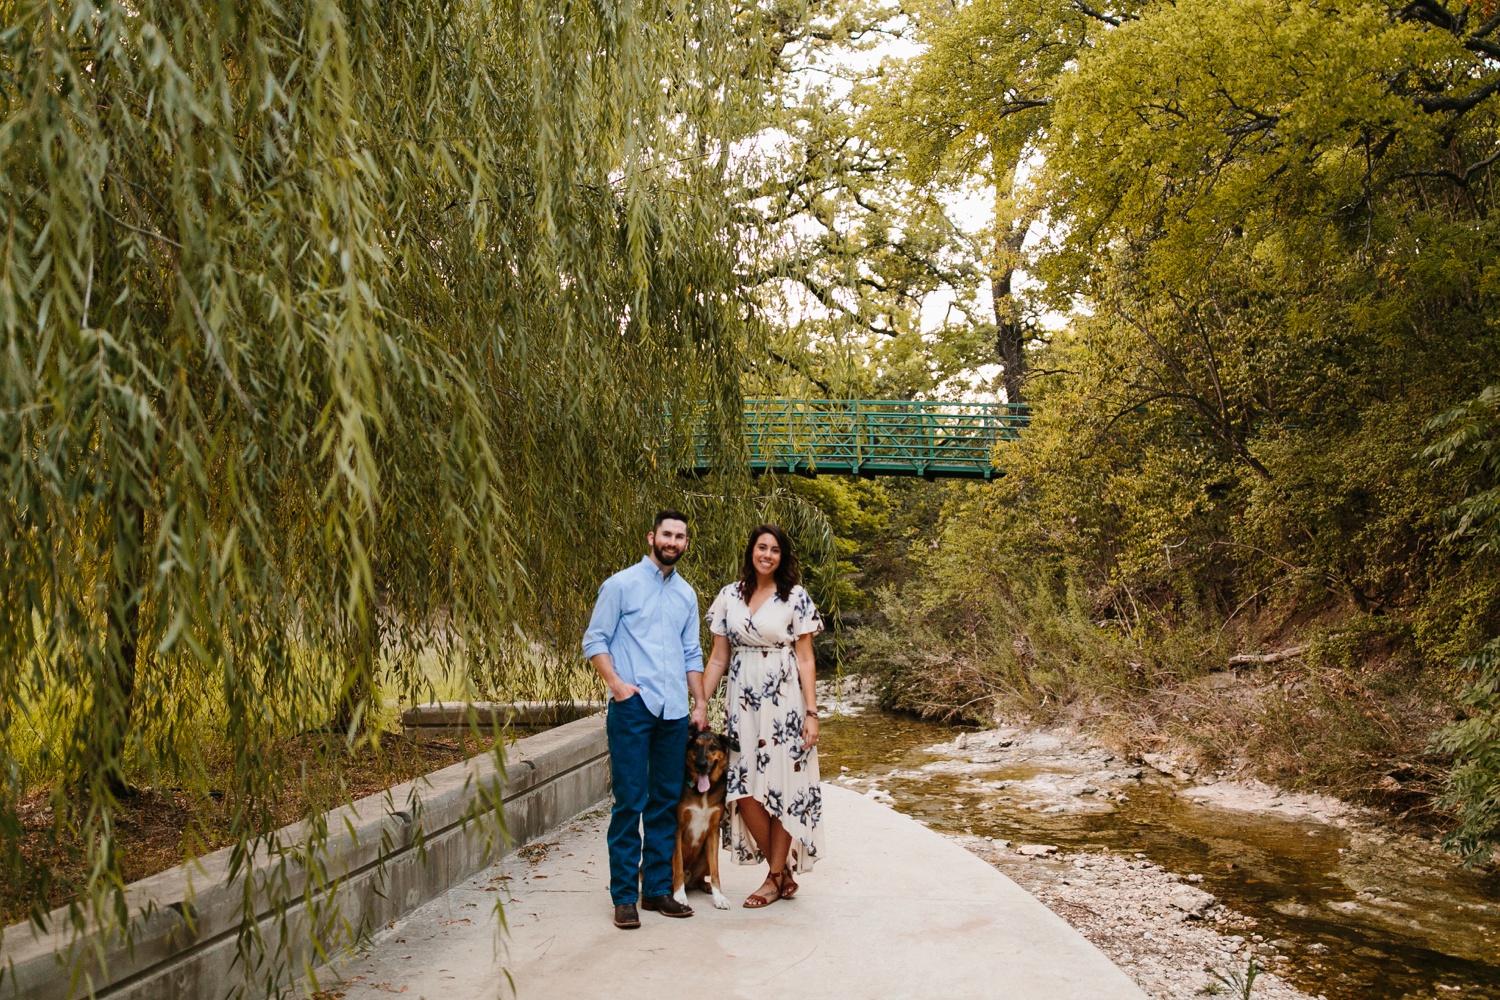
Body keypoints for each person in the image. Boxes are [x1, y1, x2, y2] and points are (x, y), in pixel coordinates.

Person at [582, 510, 708, 929]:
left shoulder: (686, 595)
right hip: (633, 707)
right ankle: (623, 897)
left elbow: (692, 653)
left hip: (673, 711)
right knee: (630, 801)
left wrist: (701, 703)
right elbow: (595, 639)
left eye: (681, 536)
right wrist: (617, 685)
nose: (673, 542)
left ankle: (655, 891)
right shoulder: (621, 585)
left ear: (686, 543)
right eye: (667, 534)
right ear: (651, 536)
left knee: (664, 803)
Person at [702, 523, 825, 908]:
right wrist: (701, 703)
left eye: (774, 549)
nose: (767, 554)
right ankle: (782, 871)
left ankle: (773, 877)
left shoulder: (796, 597)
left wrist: (811, 712)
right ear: (751, 552)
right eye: (761, 547)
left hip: (784, 701)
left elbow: (805, 658)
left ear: (782, 556)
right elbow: (719, 657)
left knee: (784, 786)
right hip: (742, 702)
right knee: (742, 786)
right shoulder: (729, 596)